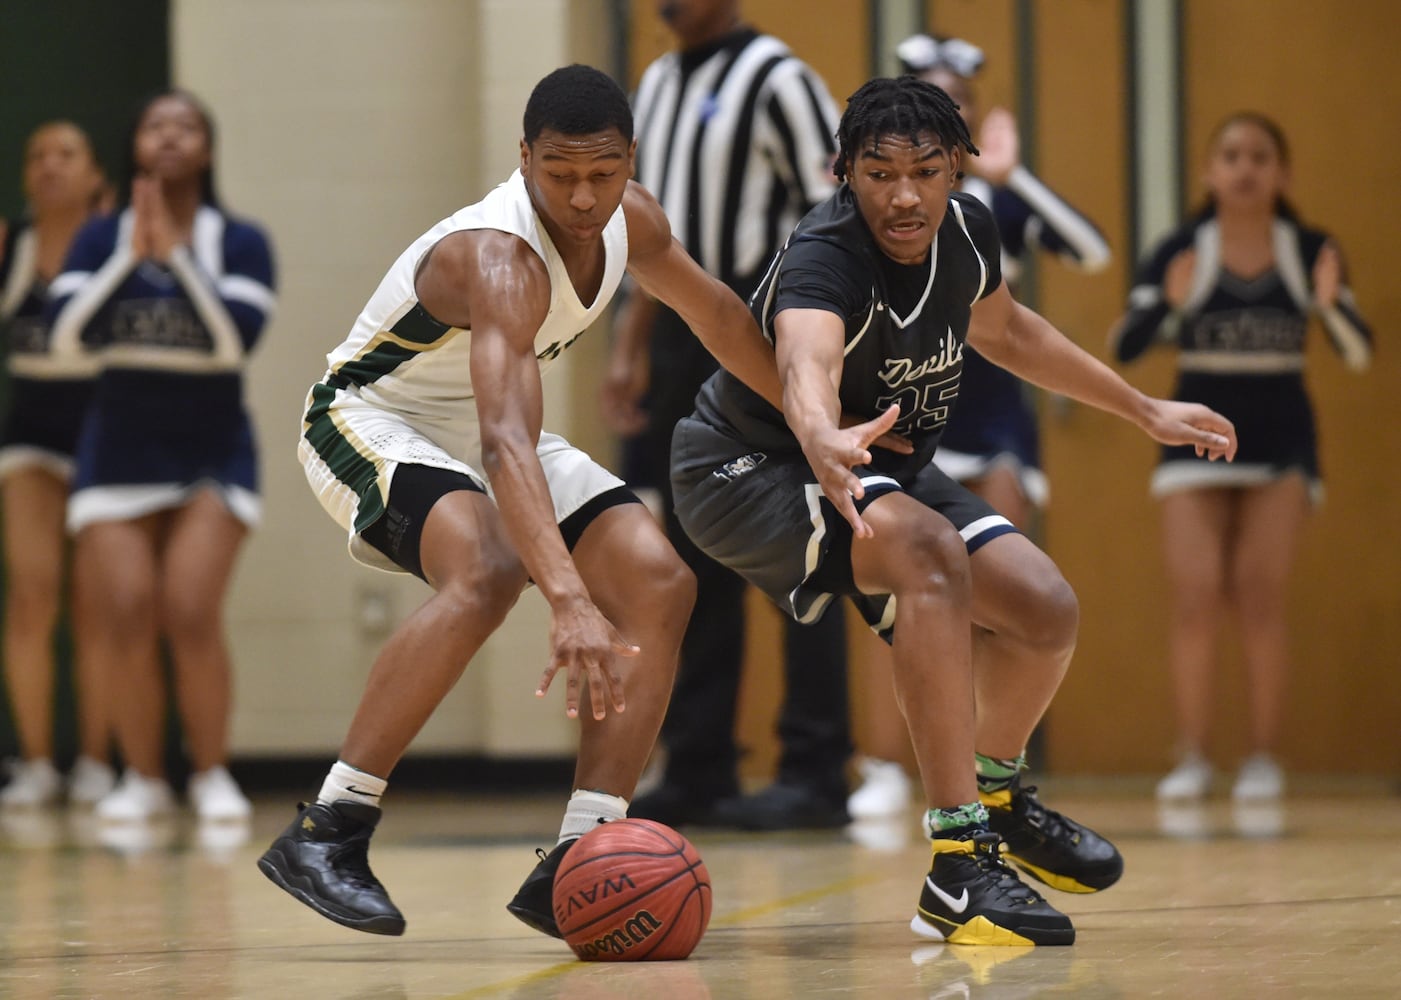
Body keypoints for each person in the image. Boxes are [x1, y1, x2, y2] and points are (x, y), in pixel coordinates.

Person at [670, 76, 1237, 944]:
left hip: (875, 460)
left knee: (1043, 611)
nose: (903, 195)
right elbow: (803, 361)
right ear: (842, 174)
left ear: (954, 173)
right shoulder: (825, 258)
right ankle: (958, 862)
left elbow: (1010, 333)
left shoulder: (967, 231)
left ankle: (998, 794)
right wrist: (818, 430)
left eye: (925, 171)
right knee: (931, 556)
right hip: (747, 467)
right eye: (879, 172)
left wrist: (1143, 408)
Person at [255, 64, 789, 939]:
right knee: (486, 570)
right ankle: (327, 829)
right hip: (373, 419)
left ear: (629, 163)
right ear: (524, 160)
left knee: (661, 581)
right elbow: (506, 445)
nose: (582, 197)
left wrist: (815, 423)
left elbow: (723, 321)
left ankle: (584, 851)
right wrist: (569, 599)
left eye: (602, 173)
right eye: (559, 173)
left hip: (481, 424)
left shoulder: (635, 220)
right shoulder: (496, 259)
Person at [847, 34, 1114, 821]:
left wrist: (1011, 175)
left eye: (958, 100)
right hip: (904, 423)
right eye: (933, 97)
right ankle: (881, 765)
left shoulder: (993, 207)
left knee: (1003, 596)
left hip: (994, 421)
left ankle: (982, 768)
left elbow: (1093, 252)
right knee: (890, 594)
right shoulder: (888, 209)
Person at [602, 0, 851, 831]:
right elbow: (648, 235)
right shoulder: (658, 81)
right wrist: (629, 345)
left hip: (761, 328)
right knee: (690, 542)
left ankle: (815, 767)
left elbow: (837, 210)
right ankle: (699, 760)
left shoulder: (780, 78)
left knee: (803, 538)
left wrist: (809, 339)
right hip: (676, 331)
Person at [1110, 112, 1371, 802]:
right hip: (1197, 433)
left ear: (1281, 173)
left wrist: (1326, 307)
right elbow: (1124, 348)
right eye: (1230, 155)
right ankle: (1191, 755)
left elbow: (1357, 350)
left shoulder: (1309, 248)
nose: (1245, 167)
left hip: (1282, 436)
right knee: (1195, 598)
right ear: (1208, 171)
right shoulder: (1179, 249)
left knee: (1259, 597)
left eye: (1260, 155)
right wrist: (1167, 305)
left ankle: (1261, 758)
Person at [47, 90, 275, 822]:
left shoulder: (239, 240)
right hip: (118, 445)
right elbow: (66, 338)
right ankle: (142, 777)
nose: (170, 137)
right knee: (126, 611)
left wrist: (177, 260)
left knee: (189, 608)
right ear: (136, 145)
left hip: (212, 444)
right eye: (155, 125)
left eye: (187, 128)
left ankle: (210, 774)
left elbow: (233, 343)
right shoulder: (95, 238)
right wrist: (129, 259)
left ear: (206, 150)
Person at [0, 121, 115, 809]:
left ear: (94, 172)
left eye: (65, 154)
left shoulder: (118, 243)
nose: (49, 166)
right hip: (31, 430)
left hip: (106, 429)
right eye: (36, 155)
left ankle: (98, 761)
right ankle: (38, 764)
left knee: (97, 604)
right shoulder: (12, 243)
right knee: (33, 595)